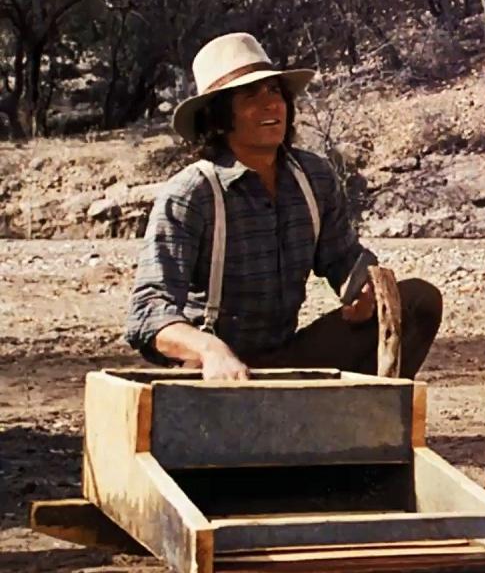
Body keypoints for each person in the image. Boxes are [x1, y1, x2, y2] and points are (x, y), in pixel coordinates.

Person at [125, 32, 442, 380]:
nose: (271, 105)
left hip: (287, 358)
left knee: (418, 301)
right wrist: (209, 350)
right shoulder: (191, 194)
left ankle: (364, 412)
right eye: (250, 96)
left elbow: (343, 259)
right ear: (218, 117)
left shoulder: (313, 177)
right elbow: (148, 311)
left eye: (275, 91)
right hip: (214, 374)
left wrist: (362, 292)